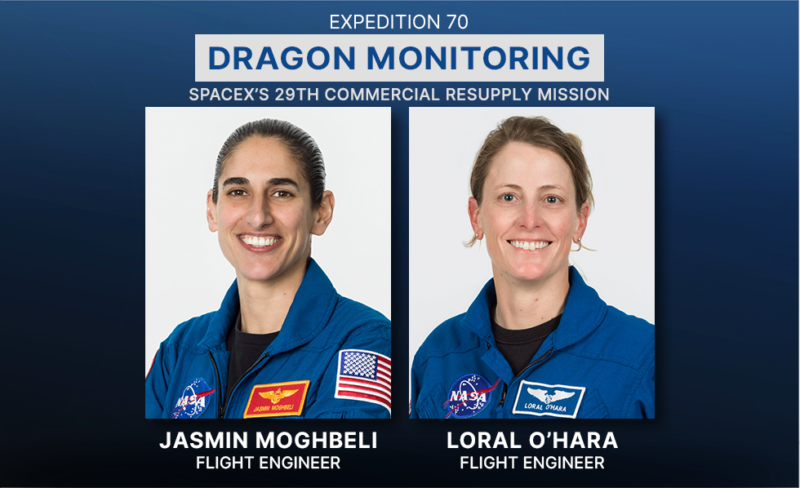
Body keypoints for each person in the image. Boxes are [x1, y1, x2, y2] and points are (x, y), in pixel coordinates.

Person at [410, 116, 654, 419]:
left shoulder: (645, 358)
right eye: (508, 197)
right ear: (477, 217)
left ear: (580, 220)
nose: (530, 219)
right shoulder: (438, 356)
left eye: (551, 199)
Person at [146, 119, 391, 419]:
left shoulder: (363, 342)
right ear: (212, 210)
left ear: (321, 212)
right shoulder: (179, 351)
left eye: (281, 193)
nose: (258, 216)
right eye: (238, 191)